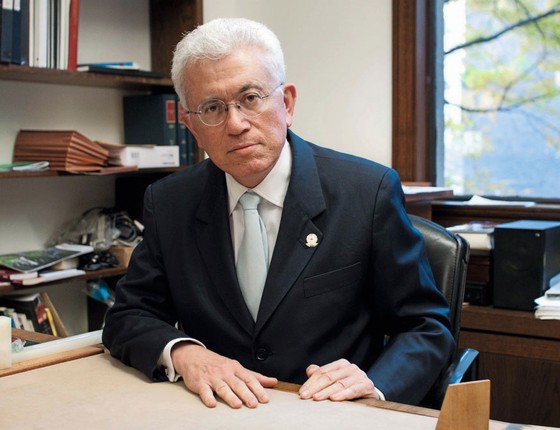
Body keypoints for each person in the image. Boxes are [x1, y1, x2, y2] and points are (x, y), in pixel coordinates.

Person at [102, 17, 454, 410]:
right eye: (212, 108)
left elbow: (426, 326)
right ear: (191, 127)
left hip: (332, 413)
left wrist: (375, 385)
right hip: (216, 413)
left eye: (251, 98)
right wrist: (185, 353)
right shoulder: (170, 202)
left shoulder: (367, 192)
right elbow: (128, 316)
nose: (236, 124)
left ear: (286, 104)